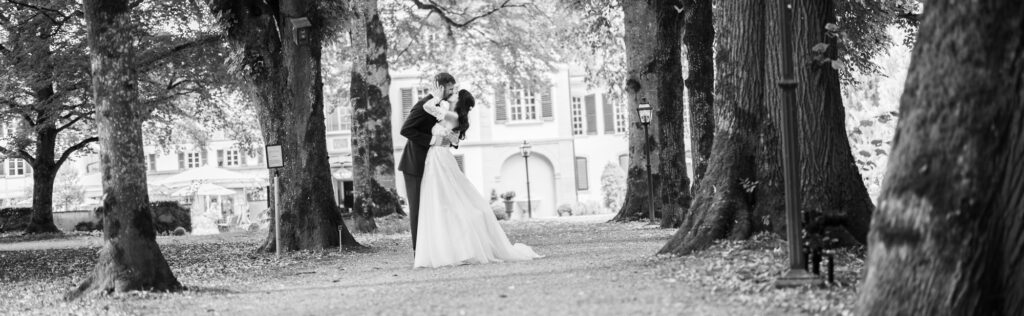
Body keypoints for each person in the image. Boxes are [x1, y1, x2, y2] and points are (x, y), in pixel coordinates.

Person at [412, 88, 542, 268]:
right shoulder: (451, 115)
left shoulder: (451, 115)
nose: (452, 94)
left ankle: (454, 249)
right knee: (443, 200)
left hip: (439, 158)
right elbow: (450, 138)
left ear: (458, 101)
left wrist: (436, 96)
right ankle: (449, 248)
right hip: (438, 157)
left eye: (455, 93)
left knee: (445, 198)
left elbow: (427, 106)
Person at [399, 72, 456, 250]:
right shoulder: (423, 105)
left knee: (433, 206)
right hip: (414, 164)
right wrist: (433, 140)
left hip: (432, 164)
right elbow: (406, 130)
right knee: (417, 209)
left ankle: (433, 248)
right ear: (441, 87)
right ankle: (419, 251)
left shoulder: (439, 106)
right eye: (450, 88)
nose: (452, 92)